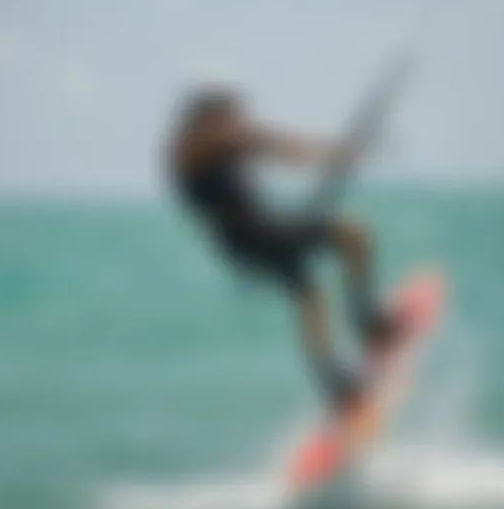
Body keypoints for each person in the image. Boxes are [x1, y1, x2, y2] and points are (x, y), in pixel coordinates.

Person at [166, 83, 403, 412]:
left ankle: (335, 383)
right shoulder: (200, 148)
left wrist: (339, 152)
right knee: (354, 235)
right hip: (261, 235)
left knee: (310, 296)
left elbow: (275, 148)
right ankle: (367, 322)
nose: (240, 121)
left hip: (248, 242)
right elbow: (279, 147)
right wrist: (342, 152)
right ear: (211, 118)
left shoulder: (197, 149)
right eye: (232, 115)